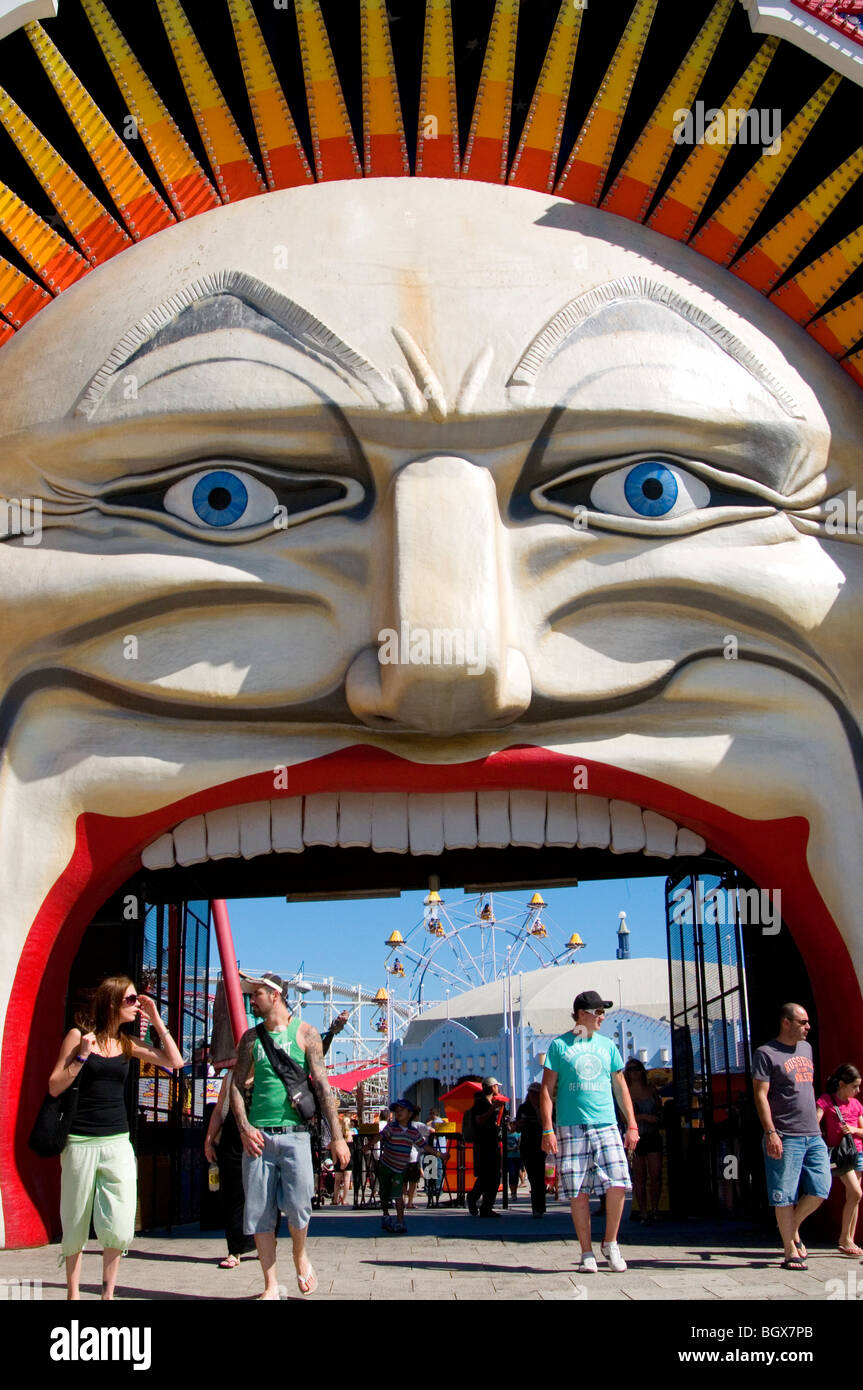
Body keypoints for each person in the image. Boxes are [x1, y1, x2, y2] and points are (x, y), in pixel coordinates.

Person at [48, 975, 185, 1299]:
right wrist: (82, 1056)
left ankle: (107, 1294)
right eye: (131, 1000)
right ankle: (73, 1293)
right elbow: (54, 1085)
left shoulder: (127, 1044)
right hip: (80, 1142)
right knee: (75, 1218)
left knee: (120, 1221)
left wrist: (156, 1019)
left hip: (117, 1142)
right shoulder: (78, 1036)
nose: (136, 1006)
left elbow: (176, 1062)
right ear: (111, 1002)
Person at [231, 972, 350, 1299]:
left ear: (275, 994)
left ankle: (300, 1254)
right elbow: (237, 1087)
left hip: (296, 1134)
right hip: (259, 1137)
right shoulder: (250, 1039)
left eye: (256, 994)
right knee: (258, 1212)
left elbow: (323, 1085)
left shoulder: (307, 1034)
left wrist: (337, 1137)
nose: (251, 1000)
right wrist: (243, 1126)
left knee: (299, 1206)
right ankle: (270, 1285)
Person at [541, 990, 638, 1273]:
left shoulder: (608, 1046)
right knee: (578, 1190)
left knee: (619, 1182)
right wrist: (548, 1129)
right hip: (571, 1126)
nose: (602, 1017)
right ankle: (586, 1252)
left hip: (606, 1123)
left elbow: (620, 1086)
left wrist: (631, 1124)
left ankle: (610, 1242)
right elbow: (547, 1089)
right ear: (582, 1014)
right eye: (598, 1012)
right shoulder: (560, 1046)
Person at [752, 1002, 832, 1271]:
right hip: (785, 1134)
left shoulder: (806, 1049)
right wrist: (771, 1132)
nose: (808, 1027)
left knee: (821, 1187)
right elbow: (760, 1095)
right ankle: (790, 1250)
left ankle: (791, 1227)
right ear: (786, 1023)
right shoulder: (766, 1053)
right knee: (784, 1195)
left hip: (812, 1132)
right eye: (802, 1022)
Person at [204, 1068, 257, 1268]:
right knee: (233, 1193)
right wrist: (209, 1140)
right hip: (232, 1134)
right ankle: (235, 1249)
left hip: (259, 1130)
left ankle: (264, 1242)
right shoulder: (231, 1075)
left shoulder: (267, 1069)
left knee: (262, 1191)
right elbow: (219, 1109)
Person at [364, 1098, 436, 1232]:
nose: (398, 1112)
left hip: (400, 1168)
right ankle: (385, 1215)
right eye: (396, 1110)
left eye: (402, 1110)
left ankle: (400, 1221)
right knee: (384, 1194)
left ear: (409, 1114)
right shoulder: (391, 1127)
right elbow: (380, 1136)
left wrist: (439, 1155)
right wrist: (368, 1145)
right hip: (386, 1165)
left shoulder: (413, 1132)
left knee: (398, 1194)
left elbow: (424, 1145)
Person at [816, 1063, 863, 1256]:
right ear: (842, 1084)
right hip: (839, 1155)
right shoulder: (827, 1101)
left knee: (854, 1197)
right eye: (854, 1086)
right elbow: (814, 1123)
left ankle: (848, 1239)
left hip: (857, 1152)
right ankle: (845, 1238)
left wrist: (853, 1130)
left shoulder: (857, 1105)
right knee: (856, 1193)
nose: (858, 1091)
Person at [623, 1058, 664, 1224]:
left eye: (637, 1068)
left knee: (656, 1174)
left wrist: (656, 1118)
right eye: (631, 1069)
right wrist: (643, 1117)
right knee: (639, 1176)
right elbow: (623, 1117)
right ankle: (643, 1211)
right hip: (636, 1136)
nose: (635, 1072)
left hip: (653, 1134)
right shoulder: (625, 1092)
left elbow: (660, 1109)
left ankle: (655, 1209)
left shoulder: (651, 1089)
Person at [468, 1077, 506, 1218]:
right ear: (492, 1087)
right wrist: (493, 1109)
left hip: (492, 1143)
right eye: (497, 1086)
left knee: (495, 1177)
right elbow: (479, 1120)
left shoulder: (491, 1103)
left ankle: (486, 1207)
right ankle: (473, 1197)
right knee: (486, 1175)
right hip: (483, 1144)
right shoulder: (481, 1102)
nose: (498, 1088)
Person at [510, 1082, 546, 1217]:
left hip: (540, 1145)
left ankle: (539, 1207)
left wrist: (537, 1107)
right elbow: (516, 1127)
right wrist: (519, 1124)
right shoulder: (523, 1107)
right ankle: (536, 1207)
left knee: (540, 1177)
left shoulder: (544, 1106)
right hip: (527, 1145)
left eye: (535, 1093)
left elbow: (546, 1123)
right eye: (530, 1092)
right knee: (533, 1176)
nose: (532, 1095)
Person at [332, 1113, 354, 1206]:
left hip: (338, 1158)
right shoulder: (351, 1134)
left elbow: (333, 1146)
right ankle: (344, 1199)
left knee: (337, 1181)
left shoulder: (338, 1135)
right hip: (348, 1158)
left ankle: (335, 1199)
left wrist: (334, 1160)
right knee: (346, 1180)